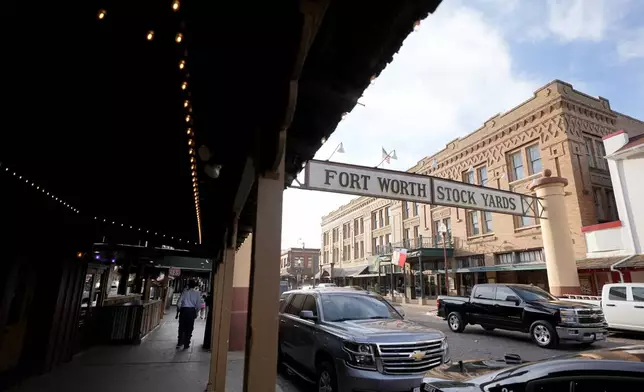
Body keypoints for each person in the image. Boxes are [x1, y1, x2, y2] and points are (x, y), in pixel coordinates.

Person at [175, 280, 203, 349]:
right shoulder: (197, 293)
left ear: (188, 285)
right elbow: (199, 305)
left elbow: (178, 303)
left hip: (184, 311)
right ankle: (186, 343)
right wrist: (196, 312)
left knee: (181, 327)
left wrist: (179, 310)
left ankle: (180, 342)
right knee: (189, 327)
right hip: (191, 311)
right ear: (195, 286)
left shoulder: (185, 292)